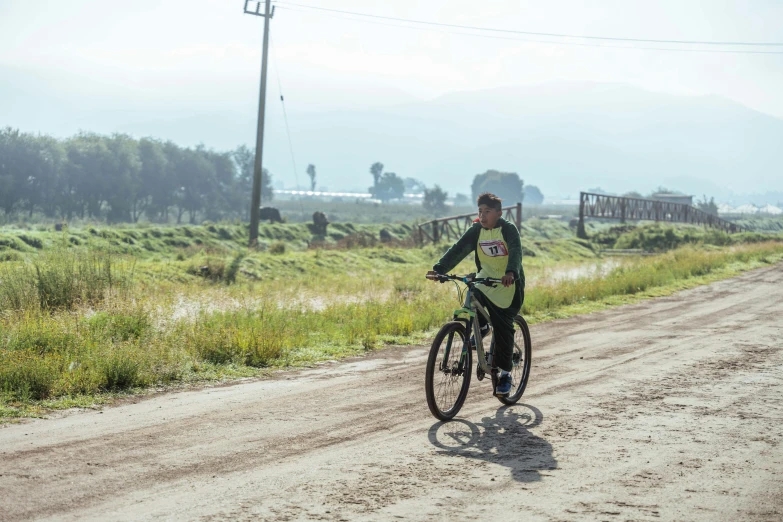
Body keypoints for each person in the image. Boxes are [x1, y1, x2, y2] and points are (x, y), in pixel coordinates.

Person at [426, 192, 525, 396]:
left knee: (503, 326)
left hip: (508, 284)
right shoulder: (476, 230)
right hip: (485, 278)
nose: (483, 215)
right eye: (480, 211)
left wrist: (511, 272)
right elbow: (459, 249)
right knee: (472, 294)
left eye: (487, 212)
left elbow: (515, 251)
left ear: (499, 213)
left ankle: (505, 374)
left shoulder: (508, 229)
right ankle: (481, 326)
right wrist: (439, 269)